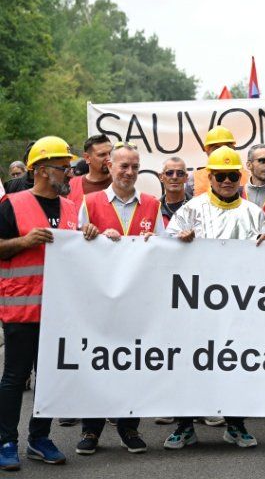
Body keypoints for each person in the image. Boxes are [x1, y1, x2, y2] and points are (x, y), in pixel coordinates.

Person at [163, 146, 265, 449]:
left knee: (235, 364)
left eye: (232, 176)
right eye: (220, 176)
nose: (227, 181)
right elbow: (164, 248)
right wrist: (178, 239)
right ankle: (185, 426)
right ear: (211, 177)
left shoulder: (254, 212)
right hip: (196, 304)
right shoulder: (191, 210)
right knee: (191, 365)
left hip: (239, 305)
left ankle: (235, 425)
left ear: (240, 177)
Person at [75, 142, 163, 455]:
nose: (129, 172)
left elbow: (165, 251)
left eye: (135, 167)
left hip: (138, 300)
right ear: (109, 166)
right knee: (97, 363)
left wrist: (156, 242)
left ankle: (129, 428)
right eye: (123, 166)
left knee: (133, 364)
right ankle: (91, 429)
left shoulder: (152, 204)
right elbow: (73, 248)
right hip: (99, 299)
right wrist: (93, 237)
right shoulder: (89, 202)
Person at [0, 136, 80, 470]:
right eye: (64, 167)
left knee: (49, 378)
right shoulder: (12, 204)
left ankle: (39, 438)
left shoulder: (71, 208)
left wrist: (89, 236)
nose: (69, 173)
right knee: (15, 377)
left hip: (60, 312)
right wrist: (24, 241)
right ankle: (6, 441)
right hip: (23, 306)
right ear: (43, 170)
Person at [185, 126, 248, 197]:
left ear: (233, 149)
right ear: (207, 152)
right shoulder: (194, 179)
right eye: (216, 148)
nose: (222, 151)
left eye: (226, 146)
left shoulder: (248, 177)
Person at [66, 134, 113, 210]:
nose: (109, 158)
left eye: (111, 153)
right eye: (102, 155)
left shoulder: (122, 184)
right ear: (87, 158)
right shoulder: (71, 186)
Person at [159, 157, 191, 227]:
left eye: (180, 173)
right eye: (169, 173)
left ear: (186, 177)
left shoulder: (198, 207)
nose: (174, 177)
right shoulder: (155, 209)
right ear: (161, 177)